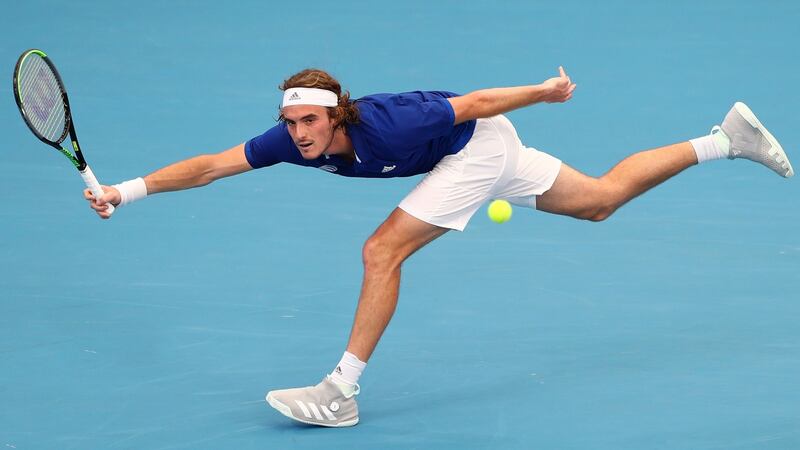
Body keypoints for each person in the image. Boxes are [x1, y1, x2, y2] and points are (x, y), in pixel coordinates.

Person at [85, 66, 793, 427]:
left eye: (307, 121)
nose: (296, 133)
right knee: (601, 201)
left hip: (478, 143)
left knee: (380, 251)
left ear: (336, 115)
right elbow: (209, 165)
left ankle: (341, 392)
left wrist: (544, 92)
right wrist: (125, 189)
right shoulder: (287, 144)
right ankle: (726, 139)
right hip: (474, 153)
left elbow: (478, 105)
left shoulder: (391, 125)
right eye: (288, 121)